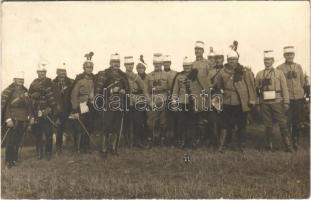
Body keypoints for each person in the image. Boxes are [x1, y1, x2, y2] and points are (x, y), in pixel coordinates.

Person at [216, 49, 256, 153]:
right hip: (227, 101)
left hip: (240, 102)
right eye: (230, 59)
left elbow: (250, 86)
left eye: (234, 59)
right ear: (227, 60)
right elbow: (218, 85)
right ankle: (222, 146)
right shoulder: (222, 72)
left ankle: (241, 146)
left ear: (237, 60)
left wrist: (251, 99)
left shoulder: (244, 71)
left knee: (241, 125)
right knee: (225, 124)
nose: (232, 61)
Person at [255, 50, 293, 152]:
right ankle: (269, 146)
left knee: (283, 123)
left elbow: (284, 88)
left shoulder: (279, 73)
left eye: (269, 60)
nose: (267, 62)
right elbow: (256, 91)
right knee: (268, 124)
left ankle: (288, 146)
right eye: (265, 60)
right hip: (265, 103)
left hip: (277, 101)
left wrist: (286, 102)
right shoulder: (259, 74)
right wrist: (258, 103)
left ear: (273, 61)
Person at [95, 53, 130, 158]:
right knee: (106, 127)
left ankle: (114, 149)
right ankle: (104, 149)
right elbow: (99, 91)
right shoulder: (104, 74)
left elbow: (128, 90)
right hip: (107, 104)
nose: (116, 64)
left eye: (118, 62)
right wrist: (111, 90)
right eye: (114, 62)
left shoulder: (123, 75)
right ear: (110, 63)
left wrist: (124, 91)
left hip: (120, 104)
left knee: (116, 127)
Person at [1, 71, 35, 168]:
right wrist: (8, 119)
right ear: (14, 80)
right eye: (19, 79)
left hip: (23, 119)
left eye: (22, 80)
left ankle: (15, 159)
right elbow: (5, 106)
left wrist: (32, 116)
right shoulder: (8, 90)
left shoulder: (25, 91)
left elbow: (29, 106)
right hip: (13, 118)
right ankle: (9, 161)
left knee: (18, 140)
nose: (21, 81)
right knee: (11, 141)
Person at [277, 46, 306, 151]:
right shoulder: (280, 68)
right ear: (284, 55)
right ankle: (287, 144)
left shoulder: (298, 67)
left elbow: (302, 82)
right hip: (287, 99)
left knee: (297, 122)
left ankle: (295, 142)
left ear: (294, 55)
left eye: (291, 54)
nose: (289, 56)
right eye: (287, 54)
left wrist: (300, 92)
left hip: (298, 98)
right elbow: (279, 85)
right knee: (286, 122)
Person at [29, 61, 59, 160]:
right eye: (40, 72)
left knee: (48, 133)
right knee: (38, 133)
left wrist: (50, 109)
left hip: (48, 111)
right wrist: (33, 95)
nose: (41, 74)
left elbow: (55, 97)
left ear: (45, 73)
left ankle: (48, 153)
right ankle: (39, 153)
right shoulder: (33, 83)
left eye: (43, 72)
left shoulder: (50, 83)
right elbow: (29, 96)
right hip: (37, 112)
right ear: (37, 73)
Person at [171, 57, 203, 148]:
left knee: (192, 122)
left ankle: (192, 141)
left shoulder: (196, 75)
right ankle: (182, 141)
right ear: (183, 66)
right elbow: (175, 90)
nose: (186, 67)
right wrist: (174, 101)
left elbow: (201, 88)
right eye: (185, 66)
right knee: (181, 122)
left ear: (191, 66)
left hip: (193, 102)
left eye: (188, 66)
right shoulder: (179, 76)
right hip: (182, 102)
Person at [70, 52, 95, 153]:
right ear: (84, 68)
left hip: (91, 105)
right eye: (87, 68)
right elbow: (73, 95)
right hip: (81, 105)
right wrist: (75, 108)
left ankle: (86, 147)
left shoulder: (94, 79)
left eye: (91, 68)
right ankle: (78, 148)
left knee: (89, 126)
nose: (89, 69)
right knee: (80, 127)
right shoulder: (79, 80)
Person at [123, 56, 150, 148]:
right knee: (127, 122)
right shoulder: (122, 75)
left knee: (138, 121)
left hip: (136, 101)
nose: (130, 66)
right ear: (125, 65)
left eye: (131, 64)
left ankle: (137, 141)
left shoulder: (136, 76)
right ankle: (127, 141)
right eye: (128, 64)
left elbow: (144, 87)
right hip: (124, 101)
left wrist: (147, 99)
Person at [146, 53, 171, 147]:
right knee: (151, 122)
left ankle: (162, 140)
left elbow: (170, 89)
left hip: (163, 99)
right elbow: (146, 90)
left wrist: (167, 99)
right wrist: (149, 101)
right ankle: (151, 140)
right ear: (153, 64)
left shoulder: (167, 75)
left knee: (163, 121)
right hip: (153, 99)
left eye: (159, 63)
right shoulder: (149, 76)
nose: (157, 65)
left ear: (162, 64)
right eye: (155, 63)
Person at [52, 63, 74, 154]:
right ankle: (58, 148)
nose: (62, 73)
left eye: (64, 71)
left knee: (73, 127)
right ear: (57, 72)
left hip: (69, 108)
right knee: (59, 129)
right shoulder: (53, 83)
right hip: (58, 110)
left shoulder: (71, 82)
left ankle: (75, 147)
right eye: (60, 71)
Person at [163, 55, 178, 145]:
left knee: (173, 118)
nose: (166, 64)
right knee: (165, 119)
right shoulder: (160, 74)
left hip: (173, 97)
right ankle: (165, 138)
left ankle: (174, 138)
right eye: (165, 63)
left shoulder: (175, 73)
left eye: (168, 62)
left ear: (170, 63)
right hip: (163, 97)